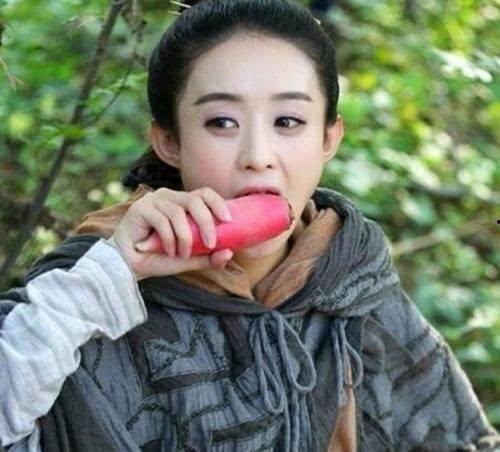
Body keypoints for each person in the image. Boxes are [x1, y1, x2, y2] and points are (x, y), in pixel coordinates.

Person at [1, 0, 499, 450]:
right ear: (169, 142)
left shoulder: (354, 277)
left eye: (288, 122)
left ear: (329, 139)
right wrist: (110, 273)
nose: (258, 157)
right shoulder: (88, 285)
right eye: (221, 122)